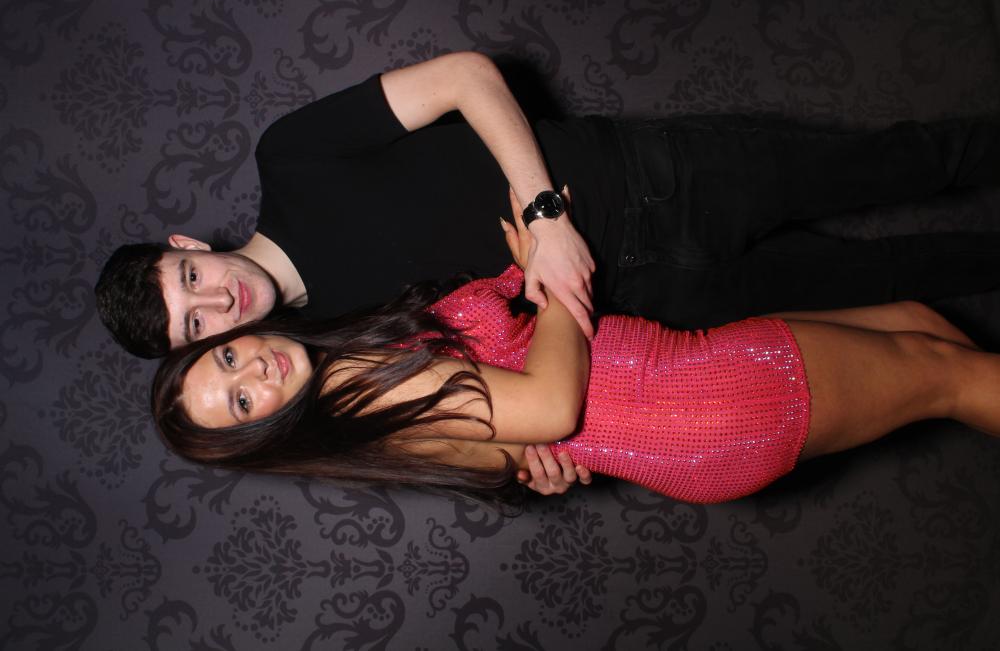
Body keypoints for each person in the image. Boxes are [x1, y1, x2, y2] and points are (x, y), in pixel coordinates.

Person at [102, 51, 1000, 492]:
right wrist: (527, 459)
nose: (216, 303)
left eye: (189, 283)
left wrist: (543, 215)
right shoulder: (330, 351)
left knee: (909, 162)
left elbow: (466, 75)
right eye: (198, 327)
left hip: (640, 181)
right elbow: (507, 405)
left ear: (187, 247)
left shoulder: (290, 160)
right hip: (648, 308)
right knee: (885, 281)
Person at [150, 204, 999, 506]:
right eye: (240, 403)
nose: (251, 374)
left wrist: (533, 461)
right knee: (951, 377)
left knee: (919, 325)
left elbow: (516, 444)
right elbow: (554, 405)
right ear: (259, 433)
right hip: (703, 402)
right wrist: (551, 281)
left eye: (226, 363)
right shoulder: (359, 385)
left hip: (686, 409)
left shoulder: (354, 409)